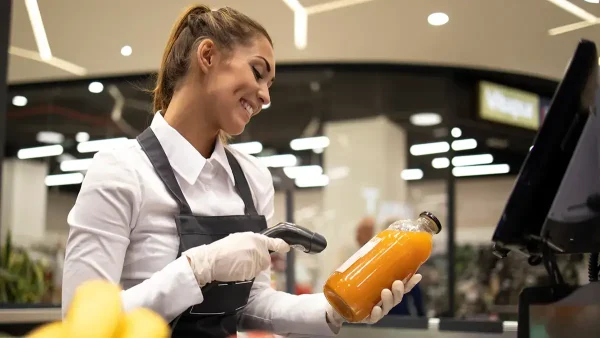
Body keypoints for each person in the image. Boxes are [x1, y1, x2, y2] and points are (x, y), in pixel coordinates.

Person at [61, 5, 421, 338]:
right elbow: (82, 323)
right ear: (207, 56)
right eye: (258, 72)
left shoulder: (252, 178)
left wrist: (334, 309)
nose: (265, 96)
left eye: (269, 85)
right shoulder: (120, 170)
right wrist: (198, 267)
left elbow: (253, 302)